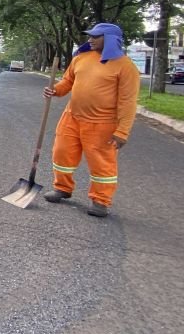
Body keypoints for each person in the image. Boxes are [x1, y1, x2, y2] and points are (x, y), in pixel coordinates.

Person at [42, 22, 140, 217]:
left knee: (101, 163)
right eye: (90, 36)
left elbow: (128, 102)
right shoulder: (81, 58)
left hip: (101, 124)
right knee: (61, 154)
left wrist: (122, 131)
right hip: (71, 118)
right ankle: (62, 187)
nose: (90, 40)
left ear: (111, 40)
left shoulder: (125, 67)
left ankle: (100, 201)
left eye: (95, 36)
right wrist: (56, 90)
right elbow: (68, 81)